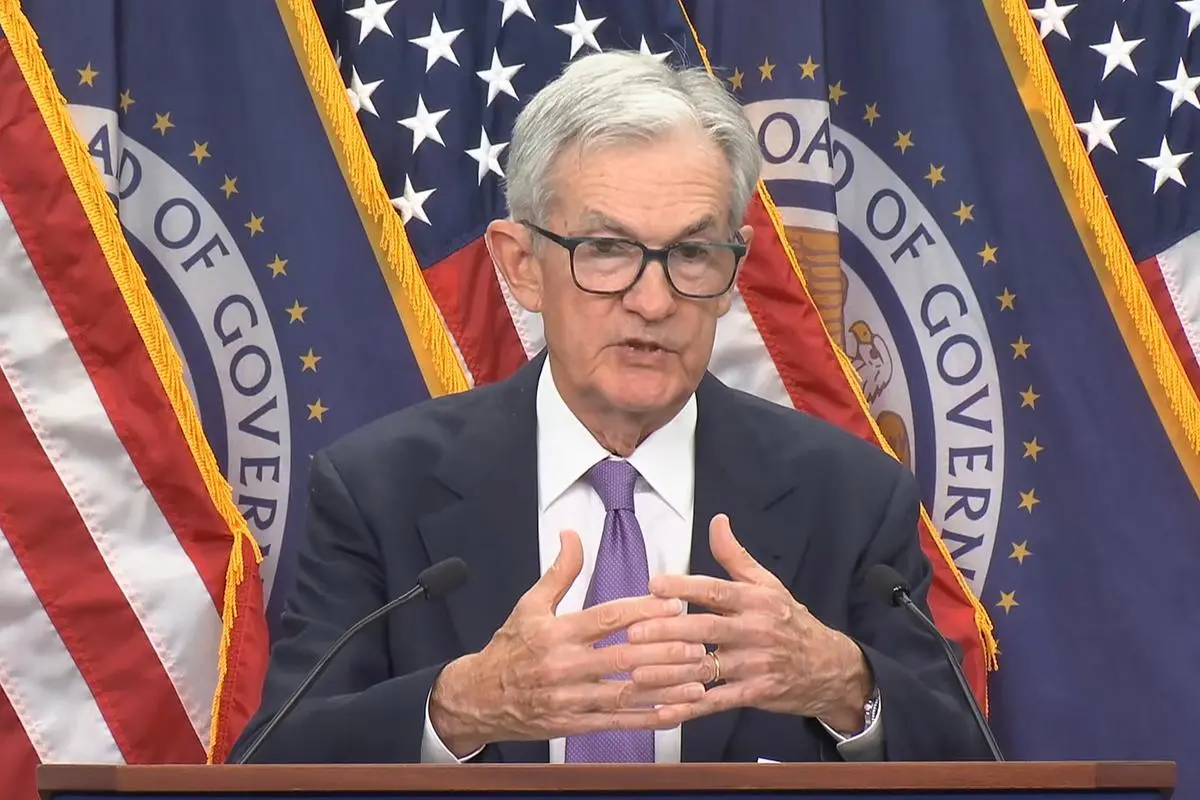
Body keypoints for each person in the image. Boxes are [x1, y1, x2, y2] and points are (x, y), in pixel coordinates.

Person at [230, 50, 994, 765]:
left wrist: (845, 687)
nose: (653, 301)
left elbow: (972, 766)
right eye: (606, 250)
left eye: (692, 253)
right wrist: (459, 708)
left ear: (732, 272)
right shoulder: (380, 491)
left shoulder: (849, 496)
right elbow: (273, 762)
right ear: (522, 267)